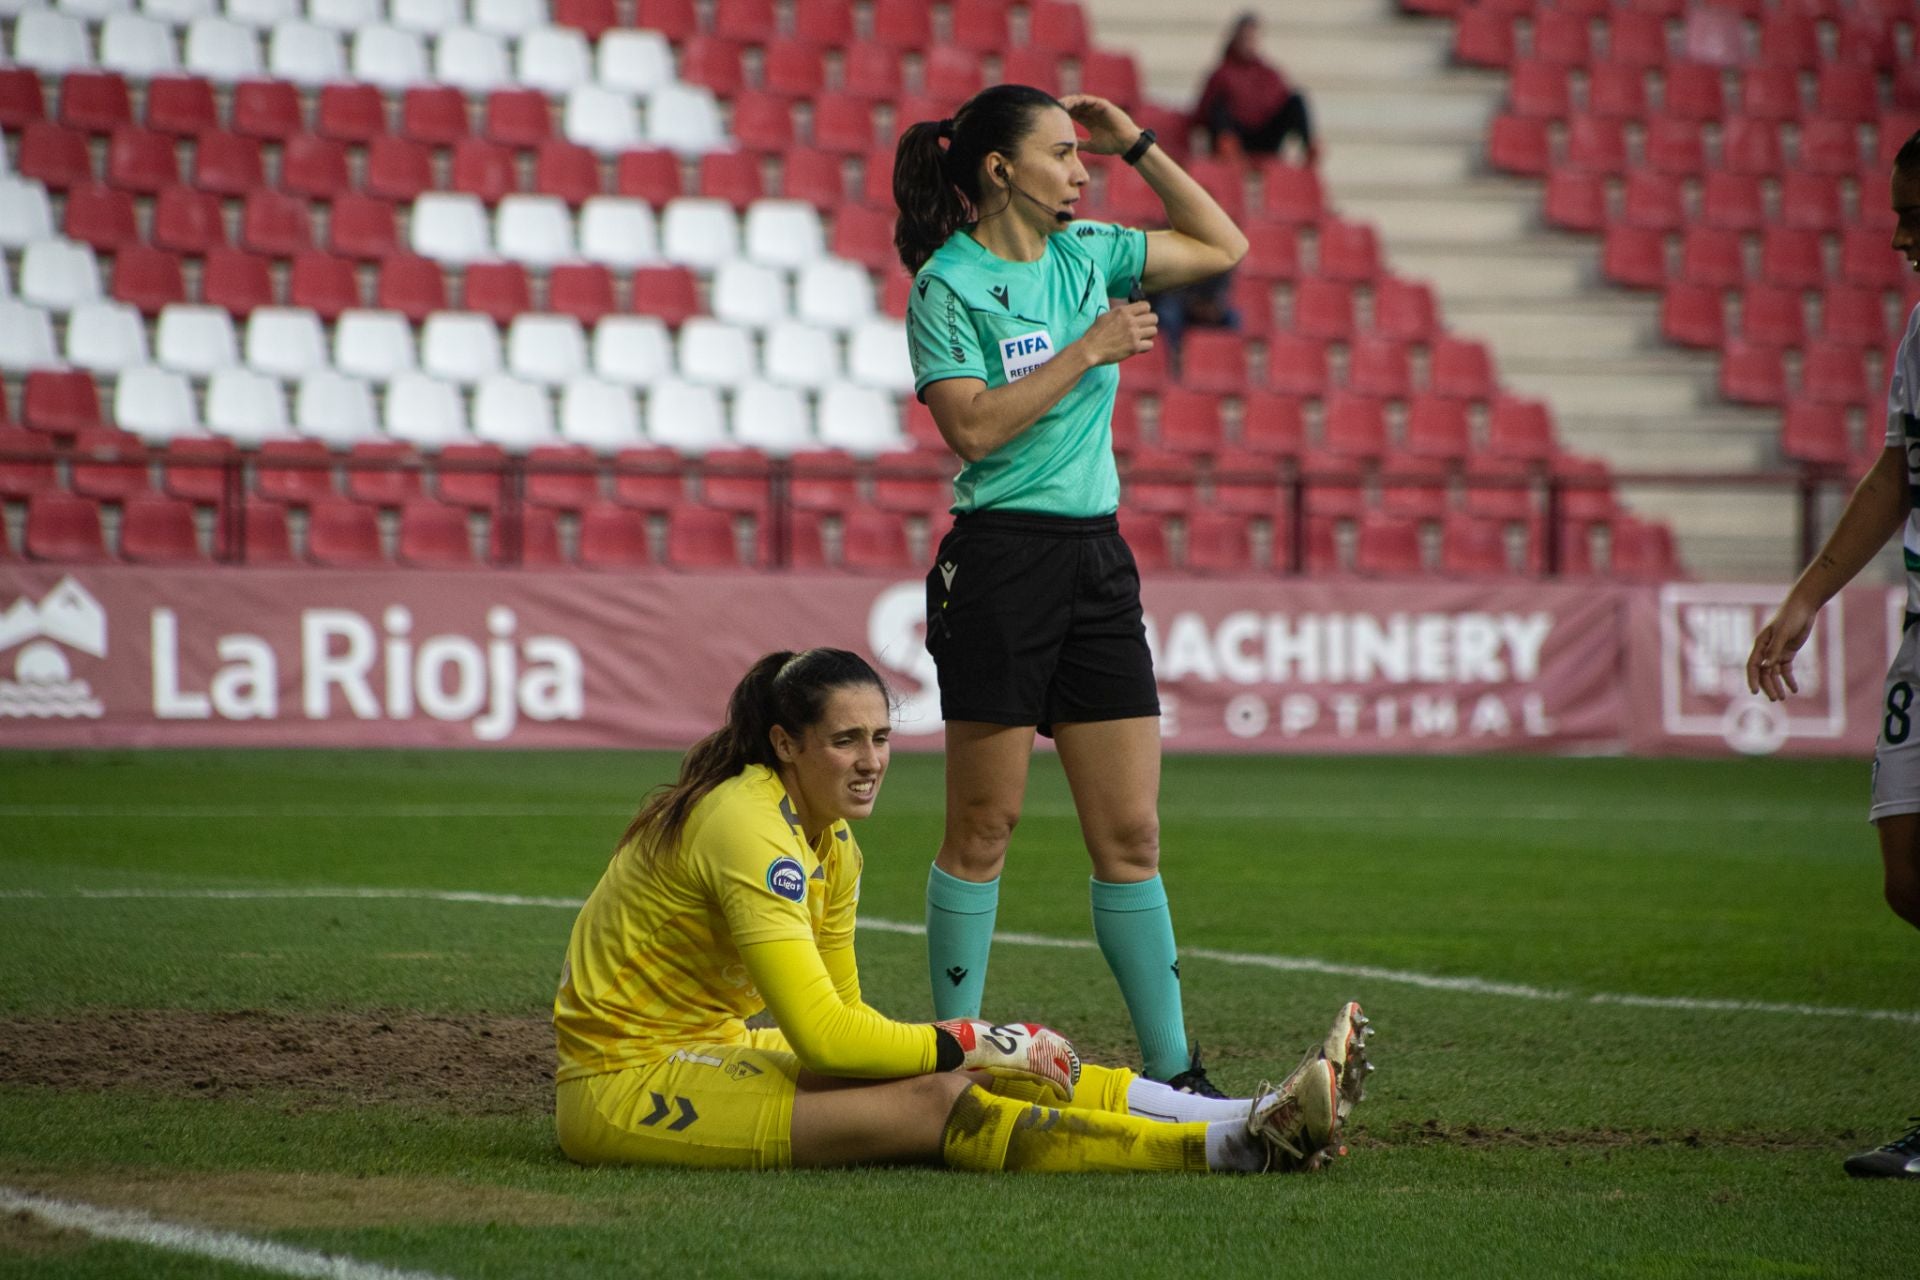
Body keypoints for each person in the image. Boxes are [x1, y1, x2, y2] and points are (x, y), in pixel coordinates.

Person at [553, 648, 1373, 1174]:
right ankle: (1238, 1148)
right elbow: (825, 1039)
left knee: (975, 1069)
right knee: (940, 1098)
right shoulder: (746, 824)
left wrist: (984, 1049)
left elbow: (845, 1025)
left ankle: (1250, 1112)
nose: (871, 761)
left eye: (880, 738)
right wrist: (979, 1038)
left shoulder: (834, 846)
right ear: (785, 744)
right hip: (621, 1084)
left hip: (711, 1048)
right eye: (846, 740)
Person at [892, 85, 1248, 1093]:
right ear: (1001, 169)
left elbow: (1222, 244)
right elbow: (971, 428)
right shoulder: (946, 284)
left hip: (1097, 560)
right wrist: (1087, 348)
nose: (1081, 171)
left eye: (1084, 155)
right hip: (999, 563)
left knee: (1132, 835)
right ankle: (952, 1059)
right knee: (984, 827)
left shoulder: (1088, 251)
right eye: (1064, 152)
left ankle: (1176, 1072)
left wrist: (1138, 143)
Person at [1746, 128, 1920, 1181]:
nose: (1898, 237)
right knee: (1908, 876)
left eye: (1915, 216)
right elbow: (1899, 468)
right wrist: (1809, 594)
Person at [1195, 13, 1317, 166]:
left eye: (1252, 39)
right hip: (1236, 138)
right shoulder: (1221, 74)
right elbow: (1202, 112)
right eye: (1244, 38)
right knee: (1218, 105)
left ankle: (1310, 149)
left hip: (1265, 138)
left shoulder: (1270, 74)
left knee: (1297, 100)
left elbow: (1283, 101)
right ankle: (1227, 147)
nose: (1248, 44)